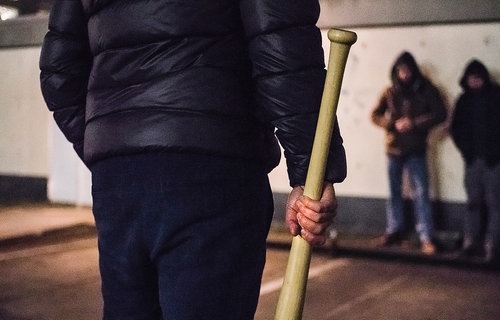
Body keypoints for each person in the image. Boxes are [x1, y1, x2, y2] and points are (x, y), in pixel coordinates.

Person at [39, 1, 347, 319]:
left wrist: (114, 146)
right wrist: (312, 168)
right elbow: (283, 45)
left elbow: (58, 73)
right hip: (213, 169)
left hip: (118, 182)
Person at [371, 51, 447, 255]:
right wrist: (392, 124)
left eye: (407, 70)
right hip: (394, 148)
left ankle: (426, 236)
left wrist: (414, 124)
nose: (404, 74)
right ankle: (394, 230)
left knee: (421, 193)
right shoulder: (390, 91)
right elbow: (375, 115)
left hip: (416, 149)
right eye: (401, 71)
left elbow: (440, 113)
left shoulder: (426, 89)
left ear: (414, 70)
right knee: (394, 192)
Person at [450, 59, 500, 263]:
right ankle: (471, 242)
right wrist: (467, 152)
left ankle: (493, 247)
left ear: (484, 78)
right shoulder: (463, 101)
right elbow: (455, 128)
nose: (475, 82)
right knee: (473, 202)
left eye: (477, 78)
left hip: (497, 161)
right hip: (474, 160)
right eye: (471, 79)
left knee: (495, 204)